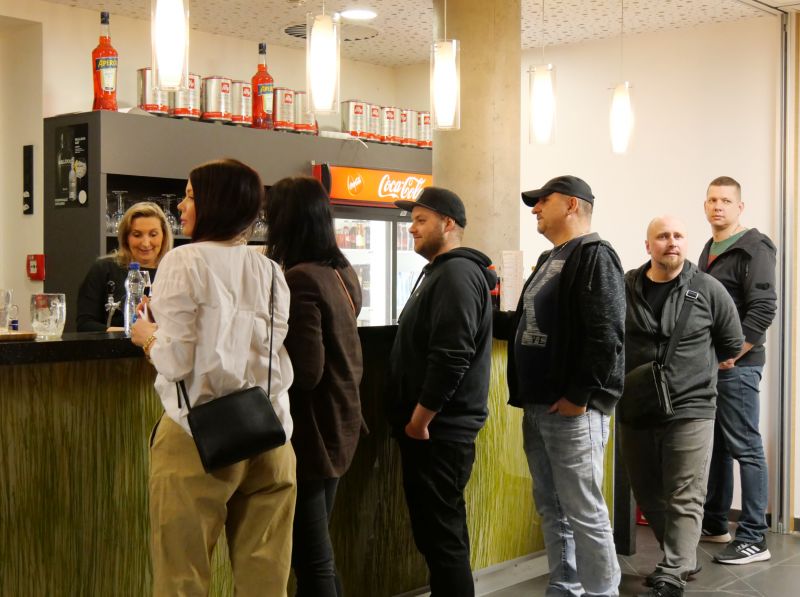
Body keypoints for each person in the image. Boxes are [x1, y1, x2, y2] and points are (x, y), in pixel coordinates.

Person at [130, 159, 296, 596]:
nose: (180, 206)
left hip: (197, 435)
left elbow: (176, 361)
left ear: (214, 203)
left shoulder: (183, 261)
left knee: (182, 577)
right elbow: (269, 344)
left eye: (189, 196)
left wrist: (147, 335)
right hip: (270, 431)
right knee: (266, 579)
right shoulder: (270, 269)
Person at [494, 175, 624, 597]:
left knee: (584, 511)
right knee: (552, 507)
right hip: (539, 406)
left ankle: (602, 592)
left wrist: (578, 397)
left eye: (542, 200)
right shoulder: (550, 257)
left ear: (570, 205)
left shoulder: (595, 255)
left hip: (571, 410)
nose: (534, 208)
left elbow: (606, 335)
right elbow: (523, 324)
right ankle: (566, 586)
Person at [619, 216, 742, 597]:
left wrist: (692, 371)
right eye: (662, 236)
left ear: (686, 243)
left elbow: (731, 343)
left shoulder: (708, 289)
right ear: (648, 245)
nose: (671, 242)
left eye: (678, 236)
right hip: (636, 404)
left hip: (692, 406)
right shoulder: (625, 287)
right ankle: (684, 556)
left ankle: (673, 571)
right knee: (646, 491)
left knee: (685, 492)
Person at [387, 187, 495, 597]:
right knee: (437, 535)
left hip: (439, 432)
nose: (412, 228)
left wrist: (420, 420)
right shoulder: (441, 271)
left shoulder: (456, 274)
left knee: (442, 538)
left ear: (448, 224)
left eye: (421, 220)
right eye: (412, 220)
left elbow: (452, 356)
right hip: (434, 430)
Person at [265, 176, 364, 597]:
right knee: (318, 555)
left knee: (312, 559)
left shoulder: (300, 278)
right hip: (340, 423)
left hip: (313, 434)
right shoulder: (341, 271)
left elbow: (307, 371)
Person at [699, 176, 777, 564]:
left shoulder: (754, 246)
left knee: (746, 447)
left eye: (726, 201)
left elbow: (763, 308)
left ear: (740, 207)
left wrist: (734, 353)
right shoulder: (710, 248)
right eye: (712, 200)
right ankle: (715, 523)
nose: (718, 206)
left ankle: (753, 538)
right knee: (718, 447)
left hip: (739, 367)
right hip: (714, 365)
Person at [77, 201, 172, 331]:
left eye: (153, 234)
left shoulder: (174, 272)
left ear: (164, 236)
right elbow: (85, 325)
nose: (145, 243)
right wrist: (130, 332)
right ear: (126, 237)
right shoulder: (103, 269)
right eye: (137, 235)